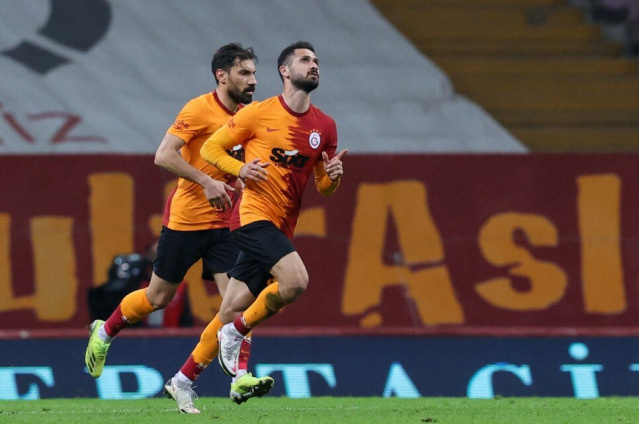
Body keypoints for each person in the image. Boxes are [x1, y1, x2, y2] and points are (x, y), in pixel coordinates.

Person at [84, 42, 273, 414]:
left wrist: (242, 181)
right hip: (187, 219)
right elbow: (163, 155)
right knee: (158, 298)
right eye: (244, 73)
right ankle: (104, 332)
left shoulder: (250, 116)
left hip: (225, 223)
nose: (253, 80)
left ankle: (236, 377)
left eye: (254, 73)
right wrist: (206, 181)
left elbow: (239, 165)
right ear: (222, 76)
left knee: (238, 301)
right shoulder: (199, 109)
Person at [200, 41, 347, 379]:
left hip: (282, 225)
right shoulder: (257, 113)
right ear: (285, 71)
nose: (314, 65)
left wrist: (334, 177)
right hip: (252, 217)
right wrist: (240, 169)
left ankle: (182, 379)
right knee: (295, 281)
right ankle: (235, 333)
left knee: (230, 307)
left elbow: (323, 187)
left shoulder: (325, 126)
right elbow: (211, 148)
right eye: (305, 60)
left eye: (316, 60)